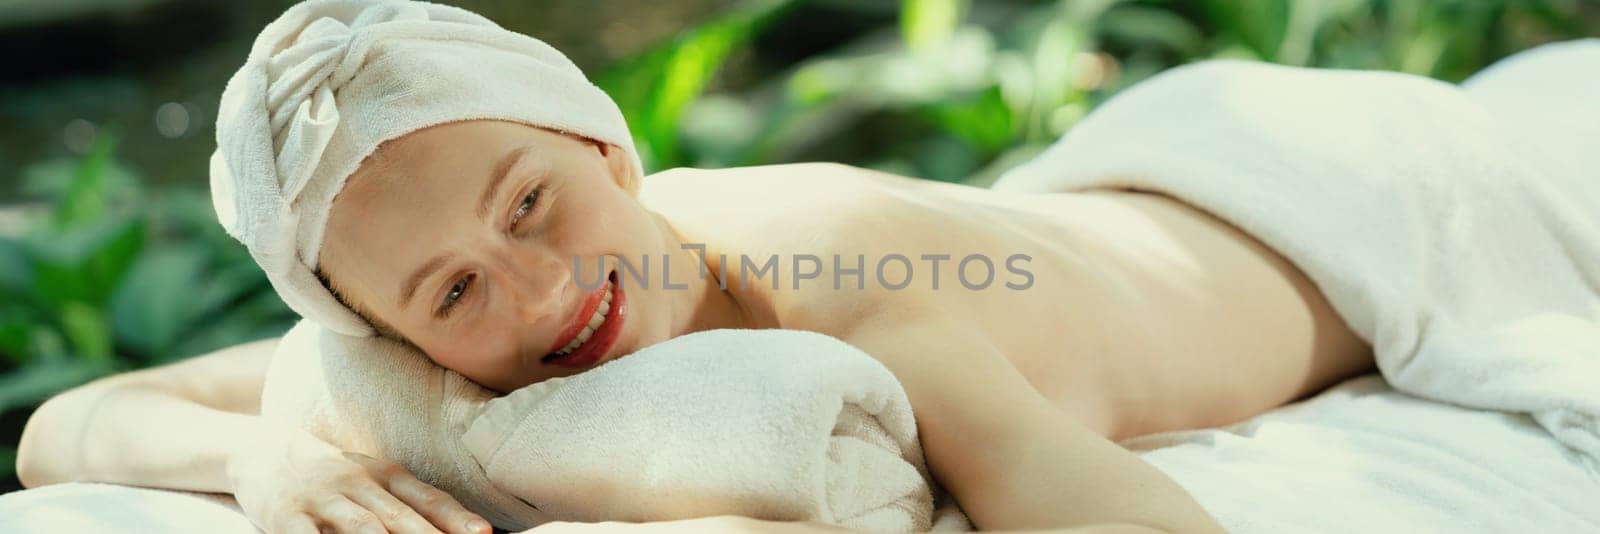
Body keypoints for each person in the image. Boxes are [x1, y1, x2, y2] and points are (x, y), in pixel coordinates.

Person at [17, 1, 1375, 533]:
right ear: (391, 336)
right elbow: (63, 431)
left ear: (609, 148)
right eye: (448, 293)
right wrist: (262, 459)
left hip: (1286, 206)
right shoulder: (443, 356)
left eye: (531, 202)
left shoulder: (859, 307)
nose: (533, 292)